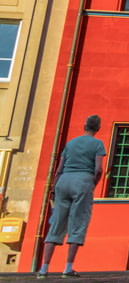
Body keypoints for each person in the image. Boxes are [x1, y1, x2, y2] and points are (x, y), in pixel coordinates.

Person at [39, 114, 106, 279]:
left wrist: (54, 188)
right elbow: (98, 169)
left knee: (56, 222)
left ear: (84, 125)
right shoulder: (97, 144)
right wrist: (93, 183)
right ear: (98, 128)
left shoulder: (71, 143)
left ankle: (43, 269)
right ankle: (68, 268)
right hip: (82, 180)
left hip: (64, 180)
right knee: (78, 222)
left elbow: (59, 168)